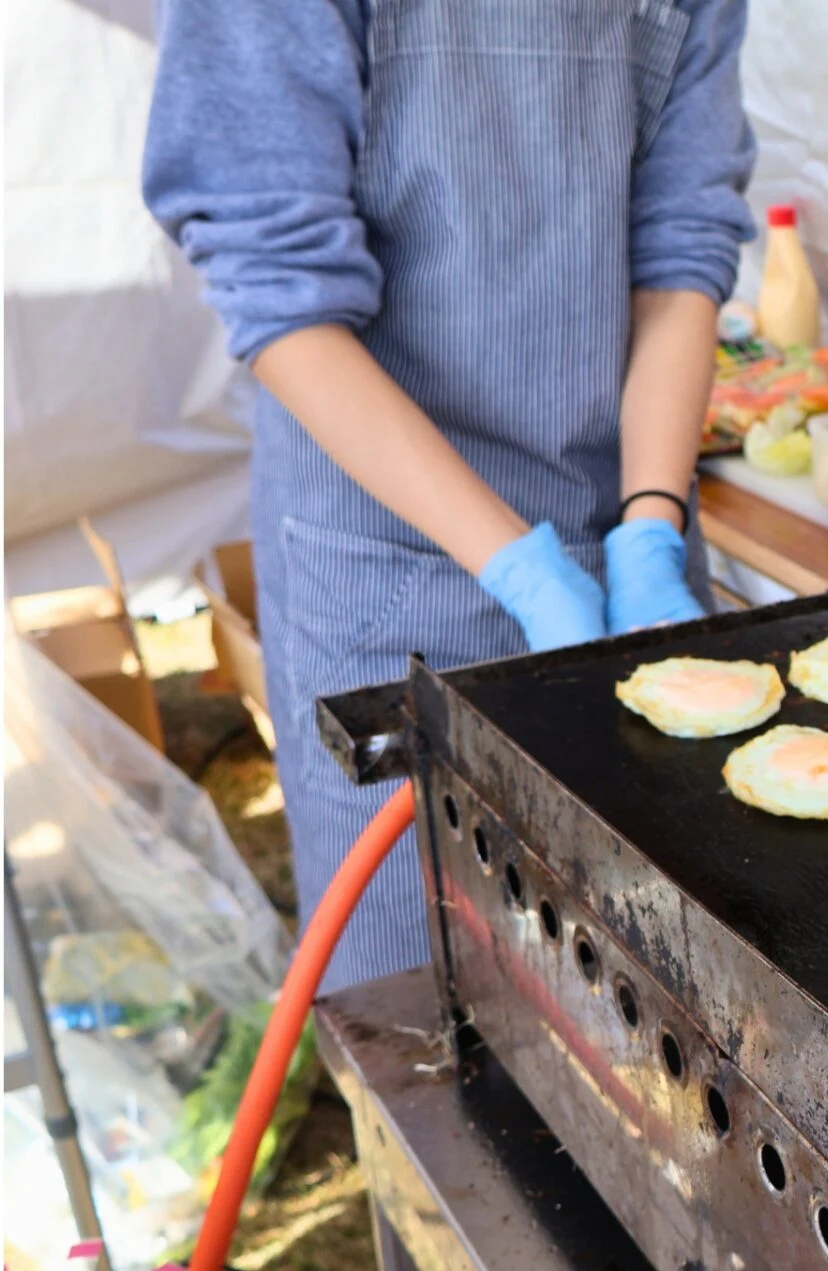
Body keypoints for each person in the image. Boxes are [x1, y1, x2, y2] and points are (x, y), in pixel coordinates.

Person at [143, 0, 756, 991]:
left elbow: (679, 250)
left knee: (658, 989)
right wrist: (521, 566)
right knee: (425, 1013)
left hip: (623, 527)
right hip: (391, 571)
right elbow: (282, 296)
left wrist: (649, 528)